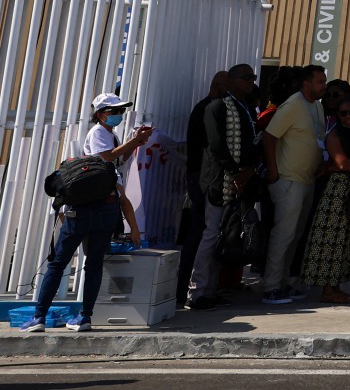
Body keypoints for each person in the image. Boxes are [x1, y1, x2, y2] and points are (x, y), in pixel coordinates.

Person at [21, 93, 147, 331]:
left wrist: (135, 142)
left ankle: (41, 318)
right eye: (114, 111)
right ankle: (82, 316)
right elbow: (107, 157)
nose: (119, 115)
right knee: (90, 264)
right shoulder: (98, 133)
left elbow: (118, 159)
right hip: (102, 208)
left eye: (121, 111)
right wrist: (133, 142)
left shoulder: (110, 134)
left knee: (61, 263)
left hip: (86, 210)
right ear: (101, 115)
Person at [189, 63, 260, 309]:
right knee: (211, 233)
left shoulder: (247, 108)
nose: (251, 81)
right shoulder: (217, 107)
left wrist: (250, 170)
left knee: (225, 235)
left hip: (240, 181)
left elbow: (253, 143)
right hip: (219, 180)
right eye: (246, 77)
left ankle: (211, 289)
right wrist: (235, 171)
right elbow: (216, 144)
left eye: (253, 77)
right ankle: (197, 291)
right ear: (231, 80)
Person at [261, 64, 326, 305]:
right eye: (320, 82)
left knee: (295, 235)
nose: (324, 86)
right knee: (283, 234)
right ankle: (270, 287)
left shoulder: (317, 106)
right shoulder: (292, 105)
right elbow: (269, 136)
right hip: (288, 180)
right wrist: (273, 170)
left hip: (307, 180)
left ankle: (284, 282)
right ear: (306, 84)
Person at [301, 95, 350, 304]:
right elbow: (343, 164)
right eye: (344, 113)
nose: (348, 117)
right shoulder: (334, 135)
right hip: (338, 190)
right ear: (337, 115)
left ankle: (336, 288)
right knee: (331, 239)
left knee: (346, 239)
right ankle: (328, 290)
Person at [175, 71, 227, 305]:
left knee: (205, 232)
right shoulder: (208, 109)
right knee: (201, 232)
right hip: (202, 178)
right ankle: (190, 291)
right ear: (216, 87)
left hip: (204, 177)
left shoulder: (210, 107)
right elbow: (213, 146)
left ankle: (203, 289)